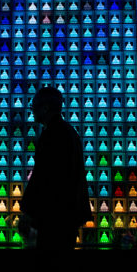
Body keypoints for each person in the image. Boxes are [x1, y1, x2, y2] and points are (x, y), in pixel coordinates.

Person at [21, 86, 92, 250]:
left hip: (54, 217)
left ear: (45, 108)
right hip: (68, 215)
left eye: (34, 107)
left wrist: (28, 211)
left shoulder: (52, 135)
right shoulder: (69, 132)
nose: (32, 111)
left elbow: (44, 177)